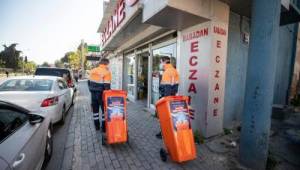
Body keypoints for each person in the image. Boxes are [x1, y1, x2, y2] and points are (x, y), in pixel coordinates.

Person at [156, 56, 180, 138]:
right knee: (170, 117)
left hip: (166, 99)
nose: (160, 64)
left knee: (165, 118)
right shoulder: (174, 71)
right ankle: (167, 133)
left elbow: (167, 88)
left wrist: (165, 101)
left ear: (164, 62)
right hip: (172, 98)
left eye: (161, 62)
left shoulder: (167, 72)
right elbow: (175, 87)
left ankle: (164, 133)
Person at [88, 58, 111, 131]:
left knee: (95, 111)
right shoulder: (107, 72)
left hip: (93, 94)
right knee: (104, 111)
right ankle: (104, 127)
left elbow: (88, 83)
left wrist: (92, 91)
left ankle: (97, 126)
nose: (108, 65)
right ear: (106, 63)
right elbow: (107, 86)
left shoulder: (92, 71)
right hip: (102, 95)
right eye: (108, 64)